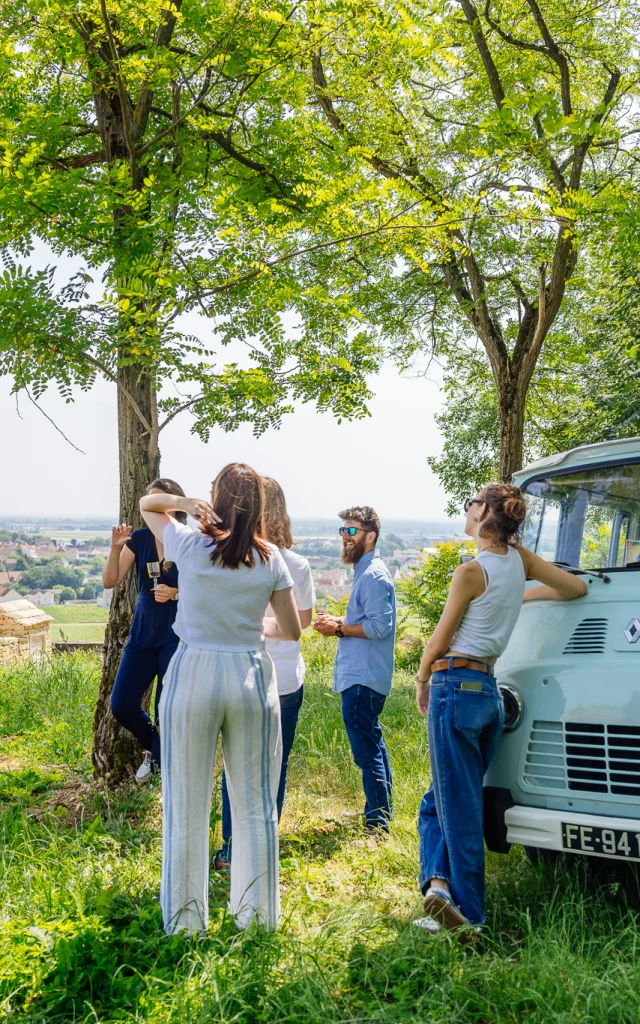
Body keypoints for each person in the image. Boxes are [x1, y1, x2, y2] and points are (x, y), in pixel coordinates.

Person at [414, 483, 588, 936]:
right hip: (490, 693)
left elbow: (439, 640)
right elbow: (573, 587)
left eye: (472, 504)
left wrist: (420, 678)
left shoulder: (470, 571)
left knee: (460, 805)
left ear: (483, 517)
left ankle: (470, 915)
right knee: (441, 798)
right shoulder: (520, 561)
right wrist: (522, 596)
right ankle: (439, 889)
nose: (467, 509)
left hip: (455, 687)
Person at [140, 463, 301, 936]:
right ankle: (256, 920)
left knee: (185, 800)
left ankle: (185, 922)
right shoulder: (270, 557)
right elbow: (290, 630)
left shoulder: (188, 544)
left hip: (193, 671)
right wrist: (254, 626)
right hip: (249, 671)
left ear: (216, 498)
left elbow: (149, 503)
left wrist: (186, 505)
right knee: (255, 803)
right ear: (259, 506)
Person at [215, 477, 315, 870]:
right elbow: (302, 623)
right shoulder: (297, 564)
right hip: (285, 676)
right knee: (277, 763)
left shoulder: (232, 556)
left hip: (243, 671)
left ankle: (229, 849)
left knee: (234, 766)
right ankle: (262, 848)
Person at [313, 506, 396, 832]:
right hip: (362, 675)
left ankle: (377, 823)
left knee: (365, 752)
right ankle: (381, 813)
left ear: (370, 536)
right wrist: (340, 621)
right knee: (371, 743)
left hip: (363, 678)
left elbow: (379, 627)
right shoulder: (365, 571)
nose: (345, 537)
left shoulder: (373, 575)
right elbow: (367, 621)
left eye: (351, 531)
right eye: (342, 531)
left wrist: (339, 629)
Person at [104, 478, 184, 782]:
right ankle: (154, 747)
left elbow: (208, 588)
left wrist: (177, 593)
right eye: (150, 502)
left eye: (160, 501)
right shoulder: (139, 538)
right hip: (143, 632)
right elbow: (110, 581)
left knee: (168, 707)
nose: (154, 508)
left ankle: (166, 776)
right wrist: (114, 549)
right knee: (122, 704)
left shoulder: (189, 540)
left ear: (175, 506)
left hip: (176, 634)